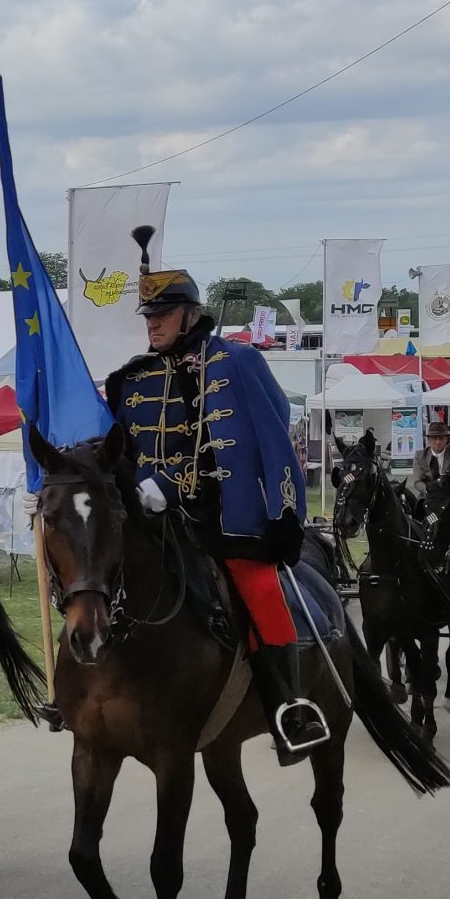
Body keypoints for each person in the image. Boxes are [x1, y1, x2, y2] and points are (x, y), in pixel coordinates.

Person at [103, 231, 325, 762]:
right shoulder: (131, 381)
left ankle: (287, 709)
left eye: (162, 313)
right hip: (155, 520)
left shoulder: (238, 362)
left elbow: (274, 439)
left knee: (259, 589)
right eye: (147, 316)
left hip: (229, 518)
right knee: (98, 585)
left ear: (190, 314)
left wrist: (283, 514)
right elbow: (120, 451)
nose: (152, 324)